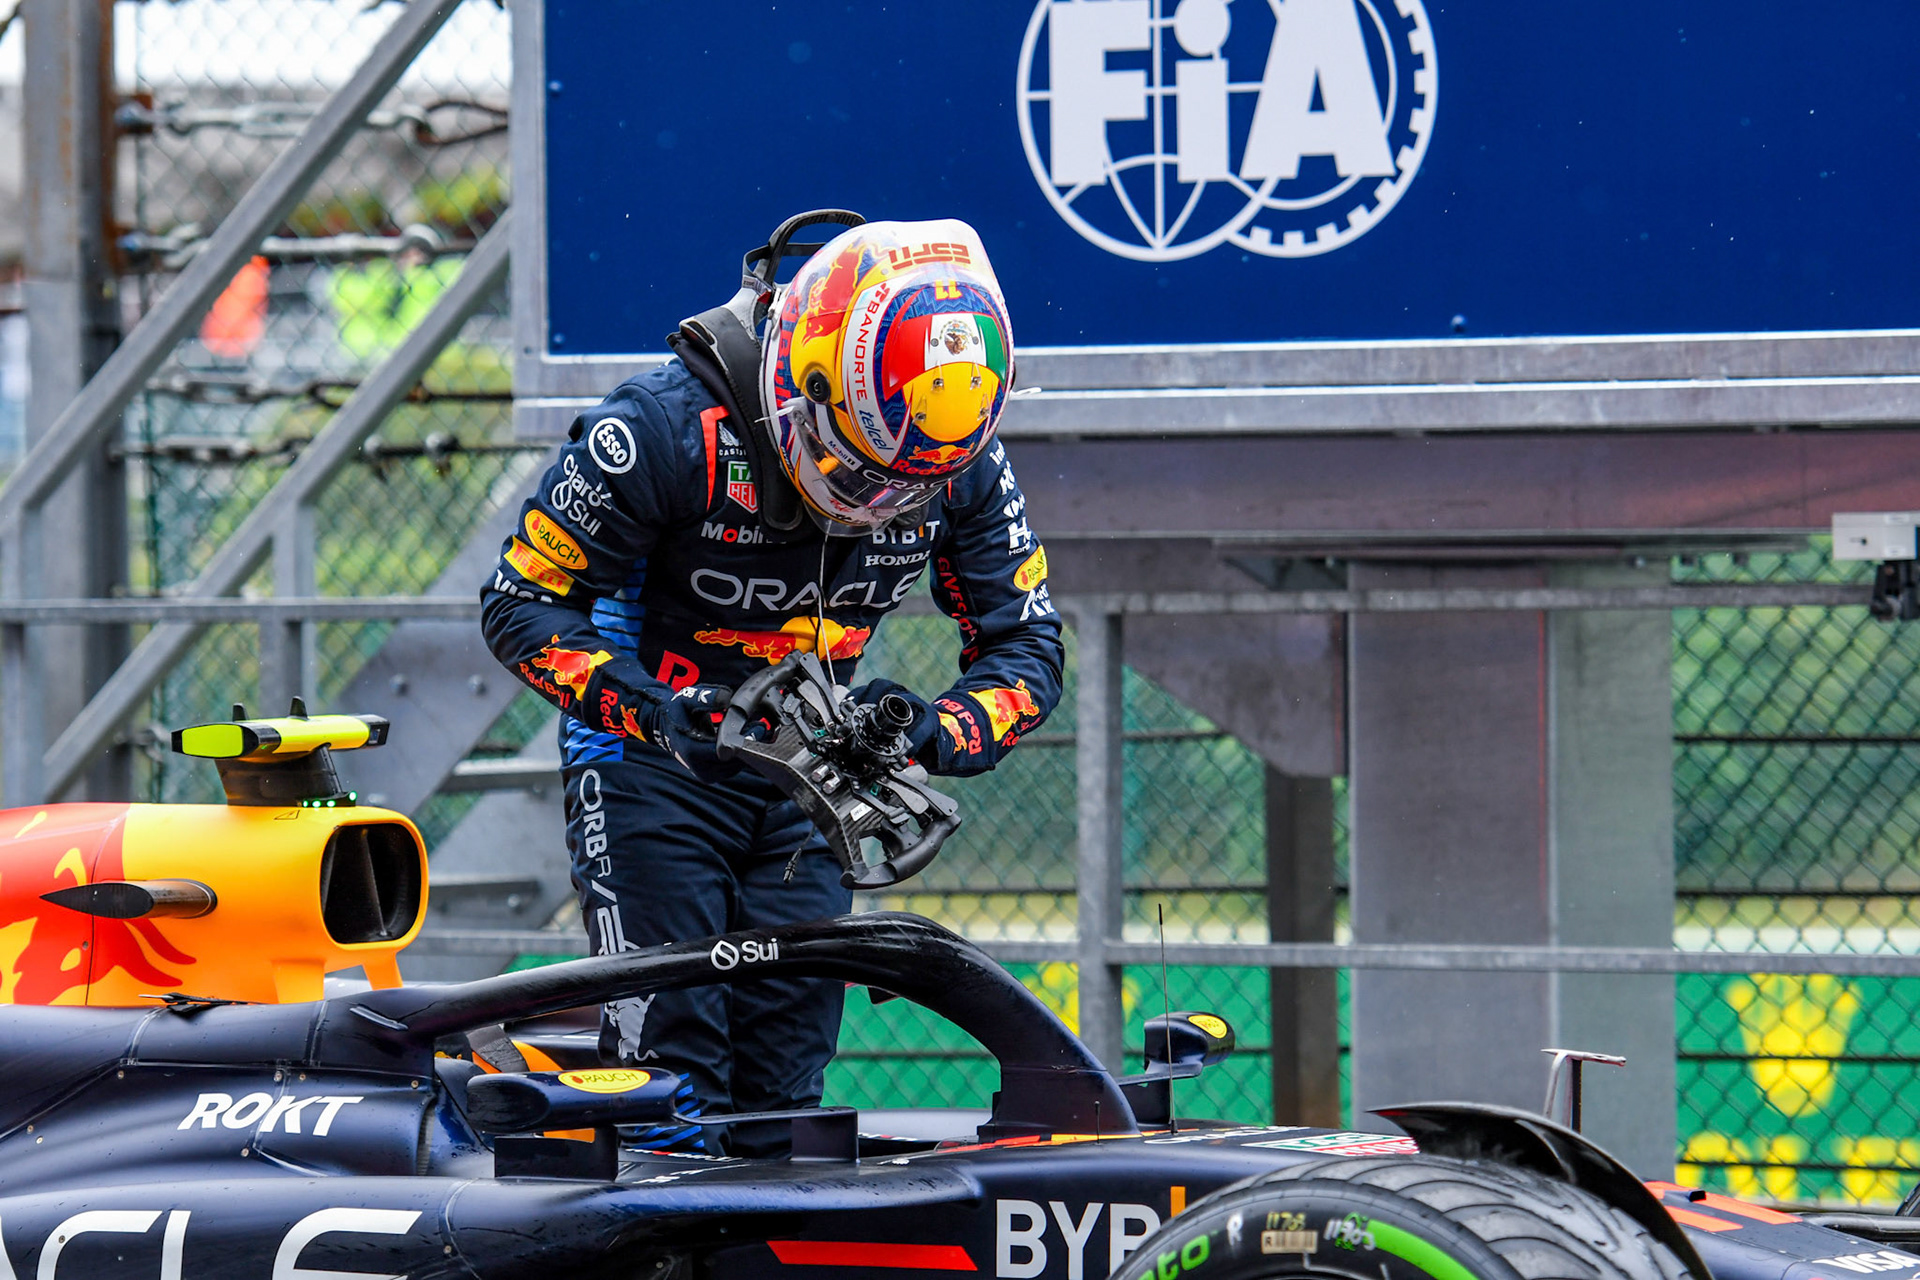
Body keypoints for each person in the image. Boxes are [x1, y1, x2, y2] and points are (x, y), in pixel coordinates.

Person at [478, 213, 1064, 1155]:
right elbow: (520, 606)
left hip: (815, 779)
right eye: (861, 466)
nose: (882, 502)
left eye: (907, 487)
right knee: (670, 1078)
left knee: (789, 1093)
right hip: (653, 766)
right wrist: (657, 715)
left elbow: (1028, 646)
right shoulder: (658, 431)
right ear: (804, 376)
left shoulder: (957, 462)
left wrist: (931, 732)